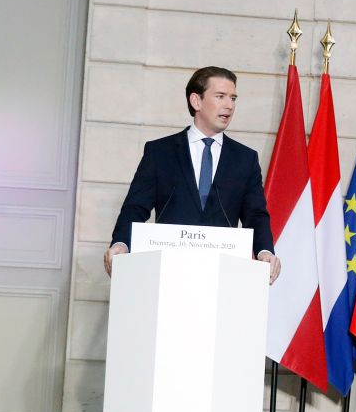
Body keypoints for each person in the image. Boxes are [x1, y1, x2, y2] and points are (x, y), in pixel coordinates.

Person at [103, 66, 280, 282]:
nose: (229, 105)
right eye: (220, 96)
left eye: (233, 98)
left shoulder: (245, 159)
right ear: (196, 101)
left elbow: (256, 215)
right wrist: (121, 243)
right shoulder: (160, 152)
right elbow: (135, 207)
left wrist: (264, 251)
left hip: (222, 276)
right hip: (168, 273)